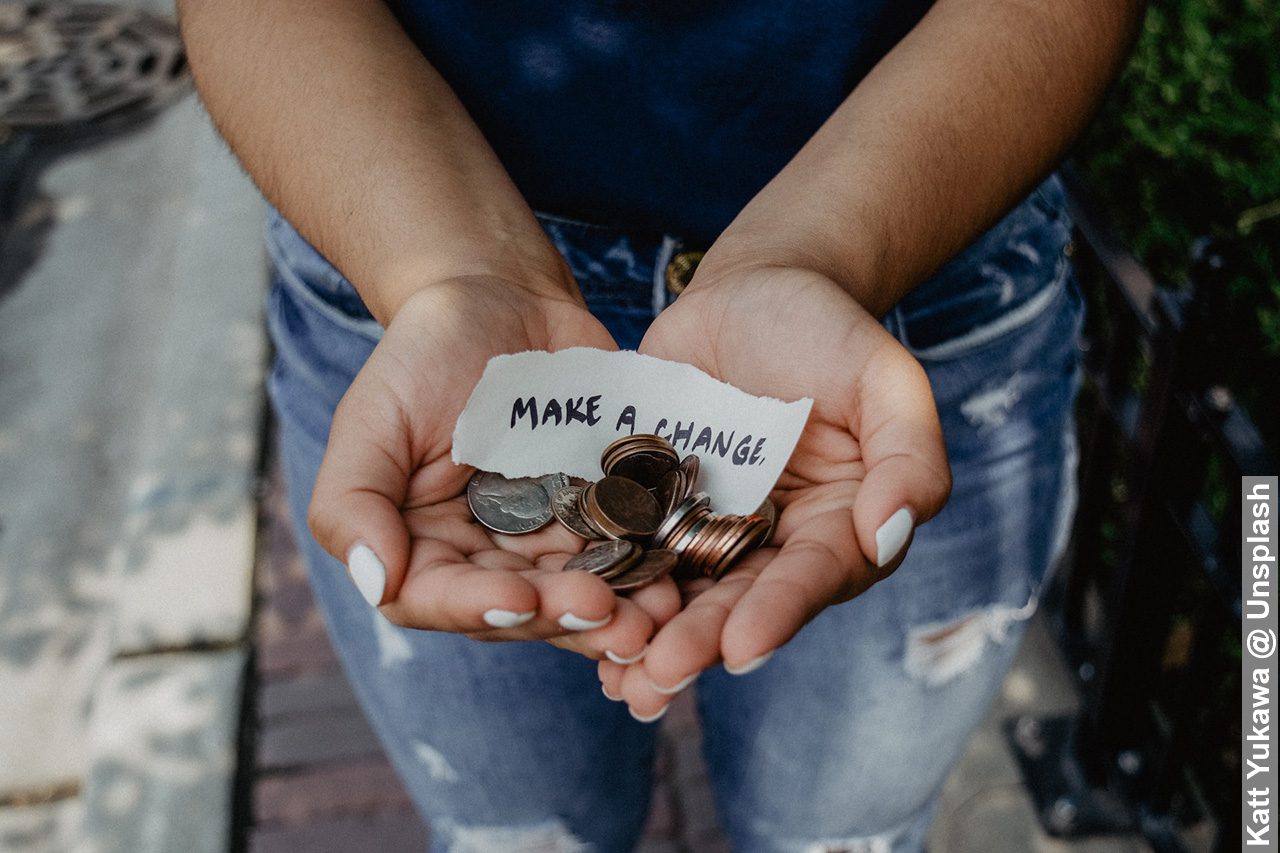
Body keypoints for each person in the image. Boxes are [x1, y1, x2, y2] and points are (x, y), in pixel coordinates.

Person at [180, 1, 1143, 850]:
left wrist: (812, 257)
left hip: (916, 259)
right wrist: (447, 278)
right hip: (404, 272)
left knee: (843, 843)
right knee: (515, 841)